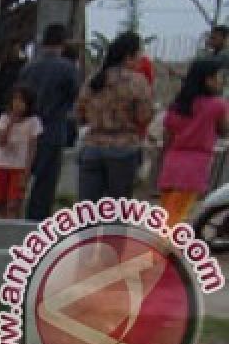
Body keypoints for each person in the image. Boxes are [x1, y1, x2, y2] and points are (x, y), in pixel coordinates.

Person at [75, 32, 154, 203]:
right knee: (117, 208)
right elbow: (144, 116)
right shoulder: (138, 82)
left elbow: (80, 112)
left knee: (87, 206)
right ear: (129, 56)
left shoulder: (95, 79)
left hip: (92, 146)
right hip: (124, 149)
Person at [18, 24, 81, 220]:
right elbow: (75, 97)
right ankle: (35, 224)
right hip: (53, 129)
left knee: (21, 178)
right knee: (45, 184)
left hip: (26, 129)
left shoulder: (28, 68)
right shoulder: (68, 69)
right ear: (63, 43)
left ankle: (13, 217)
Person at [159, 59, 229, 226]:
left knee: (166, 213)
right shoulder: (217, 106)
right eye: (217, 77)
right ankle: (161, 250)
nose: (220, 81)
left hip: (172, 163)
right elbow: (224, 130)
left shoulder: (177, 105)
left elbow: (167, 137)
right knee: (177, 216)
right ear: (207, 79)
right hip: (195, 166)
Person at [0, 85, 43, 219]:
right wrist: (11, 123)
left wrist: (26, 172)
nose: (17, 103)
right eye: (15, 99)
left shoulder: (33, 122)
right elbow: (0, 142)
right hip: (2, 164)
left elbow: (32, 148)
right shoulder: (4, 118)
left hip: (18, 167)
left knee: (14, 204)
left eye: (21, 100)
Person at [0, 40, 28, 117]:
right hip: (2, 103)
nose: (15, 52)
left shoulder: (23, 66)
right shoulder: (4, 66)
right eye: (13, 49)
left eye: (17, 49)